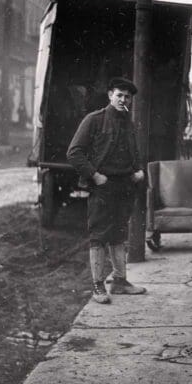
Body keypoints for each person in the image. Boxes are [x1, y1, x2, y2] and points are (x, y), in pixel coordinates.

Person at [67, 77, 147, 304]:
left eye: (127, 96)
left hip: (124, 186)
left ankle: (120, 282)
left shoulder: (128, 122)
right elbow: (74, 153)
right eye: (119, 95)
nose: (123, 99)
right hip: (103, 186)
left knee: (119, 234)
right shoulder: (94, 120)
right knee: (99, 236)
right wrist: (95, 175)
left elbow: (134, 151)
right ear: (110, 95)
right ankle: (98, 287)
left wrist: (137, 169)